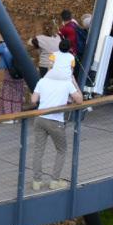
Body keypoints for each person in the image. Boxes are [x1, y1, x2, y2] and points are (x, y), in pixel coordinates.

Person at [29, 57, 83, 191]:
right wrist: (74, 81)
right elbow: (79, 100)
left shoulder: (42, 81)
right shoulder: (66, 82)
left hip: (40, 118)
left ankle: (37, 181)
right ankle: (54, 180)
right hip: (55, 121)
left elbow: (33, 100)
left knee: (38, 150)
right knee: (61, 150)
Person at [0, 37, 24, 116]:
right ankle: (16, 115)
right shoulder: (17, 44)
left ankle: (8, 116)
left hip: (10, 72)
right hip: (20, 72)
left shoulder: (3, 46)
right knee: (17, 95)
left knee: (7, 95)